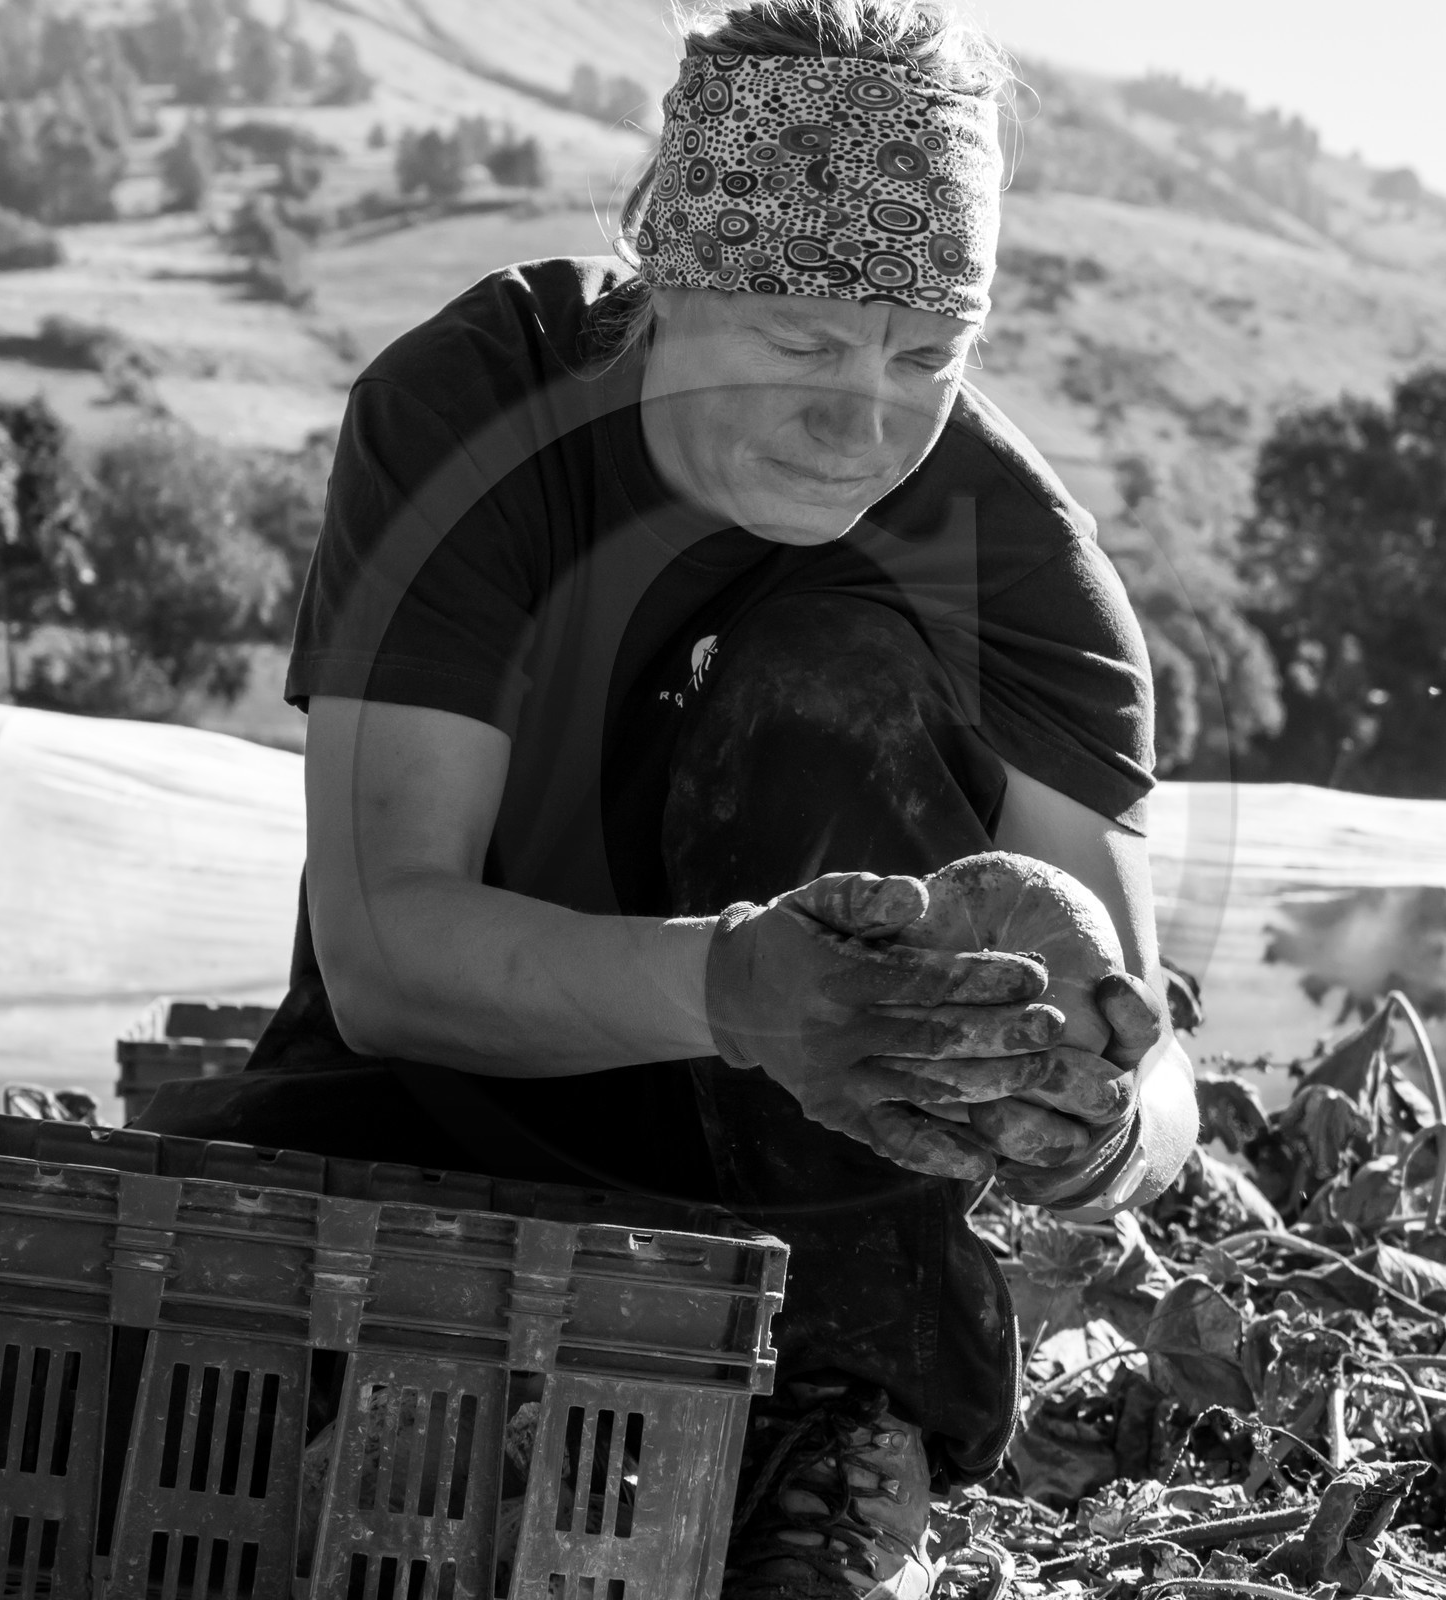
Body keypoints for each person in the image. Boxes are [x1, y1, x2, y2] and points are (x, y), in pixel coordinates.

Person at [141, 2, 1200, 1595]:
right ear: (668, 276)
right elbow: (383, 950)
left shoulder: (1015, 559)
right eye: (799, 342)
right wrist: (736, 990)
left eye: (929, 353)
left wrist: (1090, 1127)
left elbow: (1145, 1061)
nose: (867, 422)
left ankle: (844, 1421)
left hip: (814, 1235)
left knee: (832, 661)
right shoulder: (476, 412)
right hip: (443, 1110)